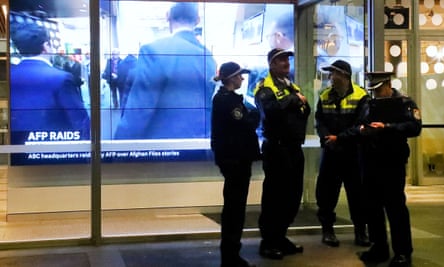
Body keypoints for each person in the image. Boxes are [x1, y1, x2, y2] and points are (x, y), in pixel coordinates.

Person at [114, 3, 217, 139]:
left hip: (163, 148)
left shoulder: (154, 50)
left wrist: (118, 151)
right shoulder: (208, 57)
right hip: (199, 145)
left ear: (167, 16)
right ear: (197, 20)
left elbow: (139, 110)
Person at [358, 72, 422, 267]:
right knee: (373, 208)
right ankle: (379, 247)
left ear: (388, 84)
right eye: (373, 91)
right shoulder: (368, 103)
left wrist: (388, 127)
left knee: (395, 208)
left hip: (392, 161)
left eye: (378, 90)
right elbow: (359, 123)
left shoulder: (404, 102)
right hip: (370, 160)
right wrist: (363, 130)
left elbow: (414, 127)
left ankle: (403, 252)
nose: (376, 94)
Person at [253, 48, 310, 260]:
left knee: (293, 196)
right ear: (271, 64)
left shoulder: (291, 86)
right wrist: (294, 102)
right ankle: (269, 242)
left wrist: (295, 104)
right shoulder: (265, 87)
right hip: (276, 148)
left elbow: (306, 109)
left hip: (294, 147)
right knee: (275, 197)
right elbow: (271, 112)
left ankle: (281, 236)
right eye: (281, 60)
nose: (286, 62)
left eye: (287, 59)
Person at [315, 59, 370, 247]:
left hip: (353, 153)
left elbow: (361, 126)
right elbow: (319, 121)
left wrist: (339, 139)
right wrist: (326, 138)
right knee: (326, 194)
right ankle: (328, 230)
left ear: (345, 76)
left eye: (334, 74)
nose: (330, 77)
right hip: (331, 153)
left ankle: (361, 232)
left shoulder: (362, 97)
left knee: (358, 194)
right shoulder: (324, 96)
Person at [211, 62, 261, 267]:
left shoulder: (227, 99)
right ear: (231, 78)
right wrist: (255, 115)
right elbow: (247, 121)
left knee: (235, 207)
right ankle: (230, 256)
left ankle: (232, 254)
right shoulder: (227, 101)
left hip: (237, 159)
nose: (242, 79)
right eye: (239, 76)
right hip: (235, 160)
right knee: (234, 208)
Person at [9, 21, 90, 143]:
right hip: (53, 153)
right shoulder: (61, 78)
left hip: (13, 153)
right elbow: (79, 121)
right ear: (46, 46)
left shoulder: (8, 76)